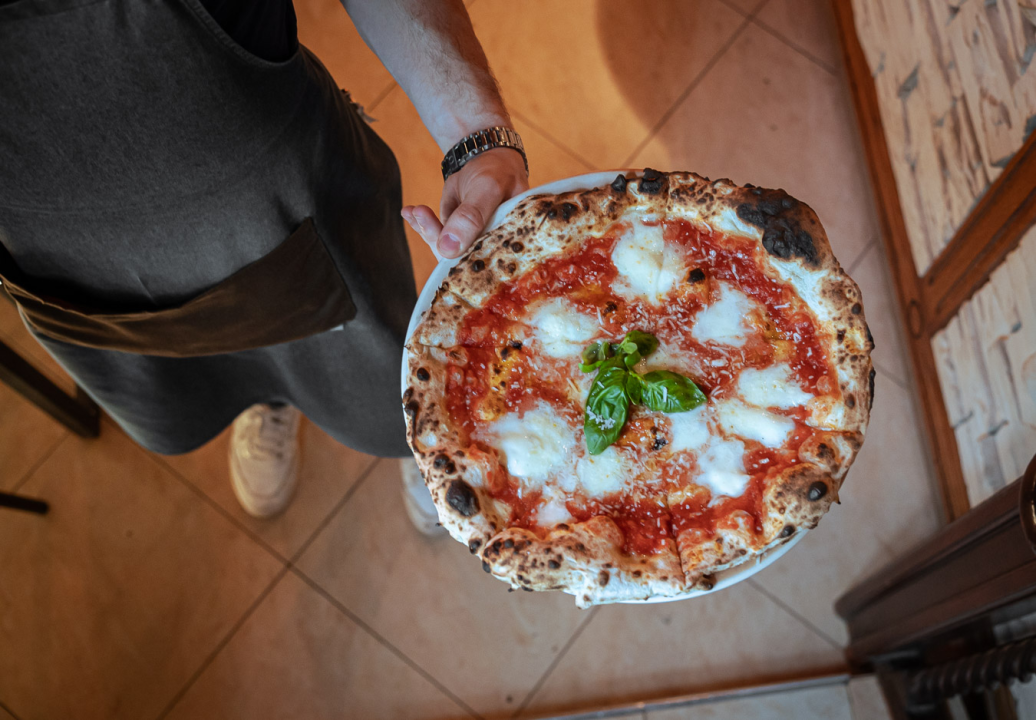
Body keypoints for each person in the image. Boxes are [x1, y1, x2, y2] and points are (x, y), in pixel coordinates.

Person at [0, 0, 529, 528]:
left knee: (385, 377)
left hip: (284, 207)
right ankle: (272, 396)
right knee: (225, 369)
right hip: (64, 271)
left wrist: (473, 136)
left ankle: (423, 440)